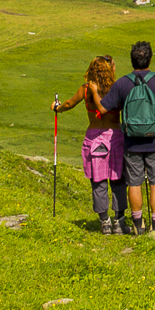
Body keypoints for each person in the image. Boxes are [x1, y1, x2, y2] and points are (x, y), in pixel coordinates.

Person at [100, 39, 155, 236]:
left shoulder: (122, 83)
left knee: (134, 182)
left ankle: (138, 224)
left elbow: (104, 107)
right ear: (150, 59)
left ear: (131, 60)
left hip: (132, 142)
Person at [51, 55, 126, 234]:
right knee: (118, 180)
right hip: (115, 136)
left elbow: (69, 103)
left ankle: (104, 220)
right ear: (109, 70)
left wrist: (57, 107)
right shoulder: (117, 89)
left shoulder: (86, 89)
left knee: (98, 180)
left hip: (94, 137)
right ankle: (119, 220)